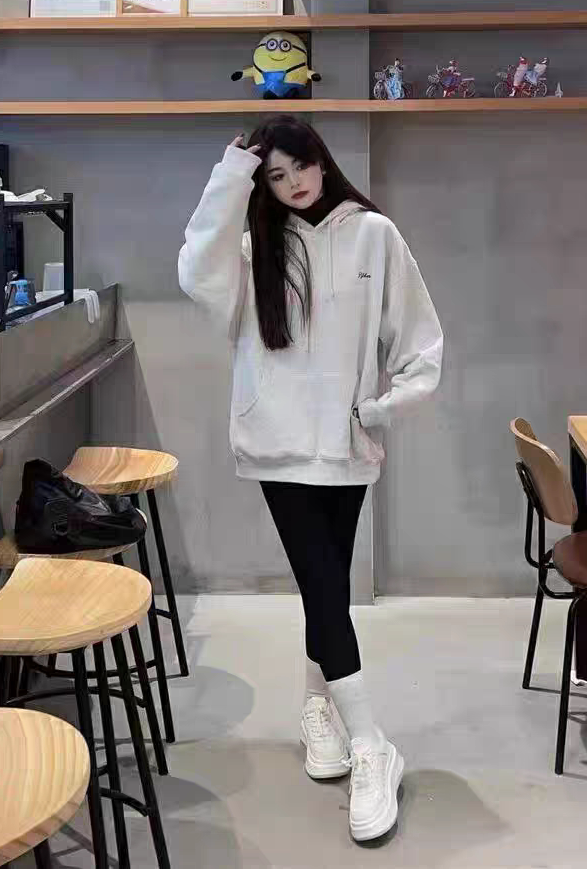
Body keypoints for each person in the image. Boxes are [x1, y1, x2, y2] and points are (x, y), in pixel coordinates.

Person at [178, 116, 443, 842]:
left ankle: (317, 705)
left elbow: (420, 340)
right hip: (277, 447)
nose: (292, 182)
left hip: (346, 447)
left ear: (323, 162)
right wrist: (232, 173)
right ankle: (371, 743)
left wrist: (379, 409)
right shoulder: (250, 248)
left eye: (300, 166)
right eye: (275, 175)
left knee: (322, 588)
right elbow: (194, 272)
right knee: (325, 588)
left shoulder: (373, 236)